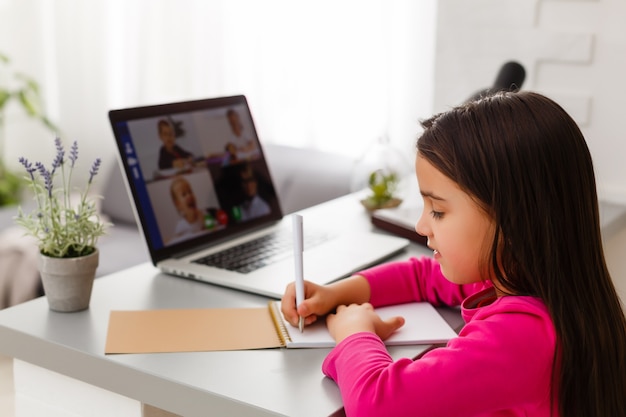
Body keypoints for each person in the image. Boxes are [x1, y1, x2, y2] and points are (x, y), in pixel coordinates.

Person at [281, 91, 626, 417]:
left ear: (511, 217)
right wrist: (336, 293)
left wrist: (356, 333)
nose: (421, 226)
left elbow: (379, 405)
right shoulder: (539, 286)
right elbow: (423, 276)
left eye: (438, 211)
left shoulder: (520, 336)